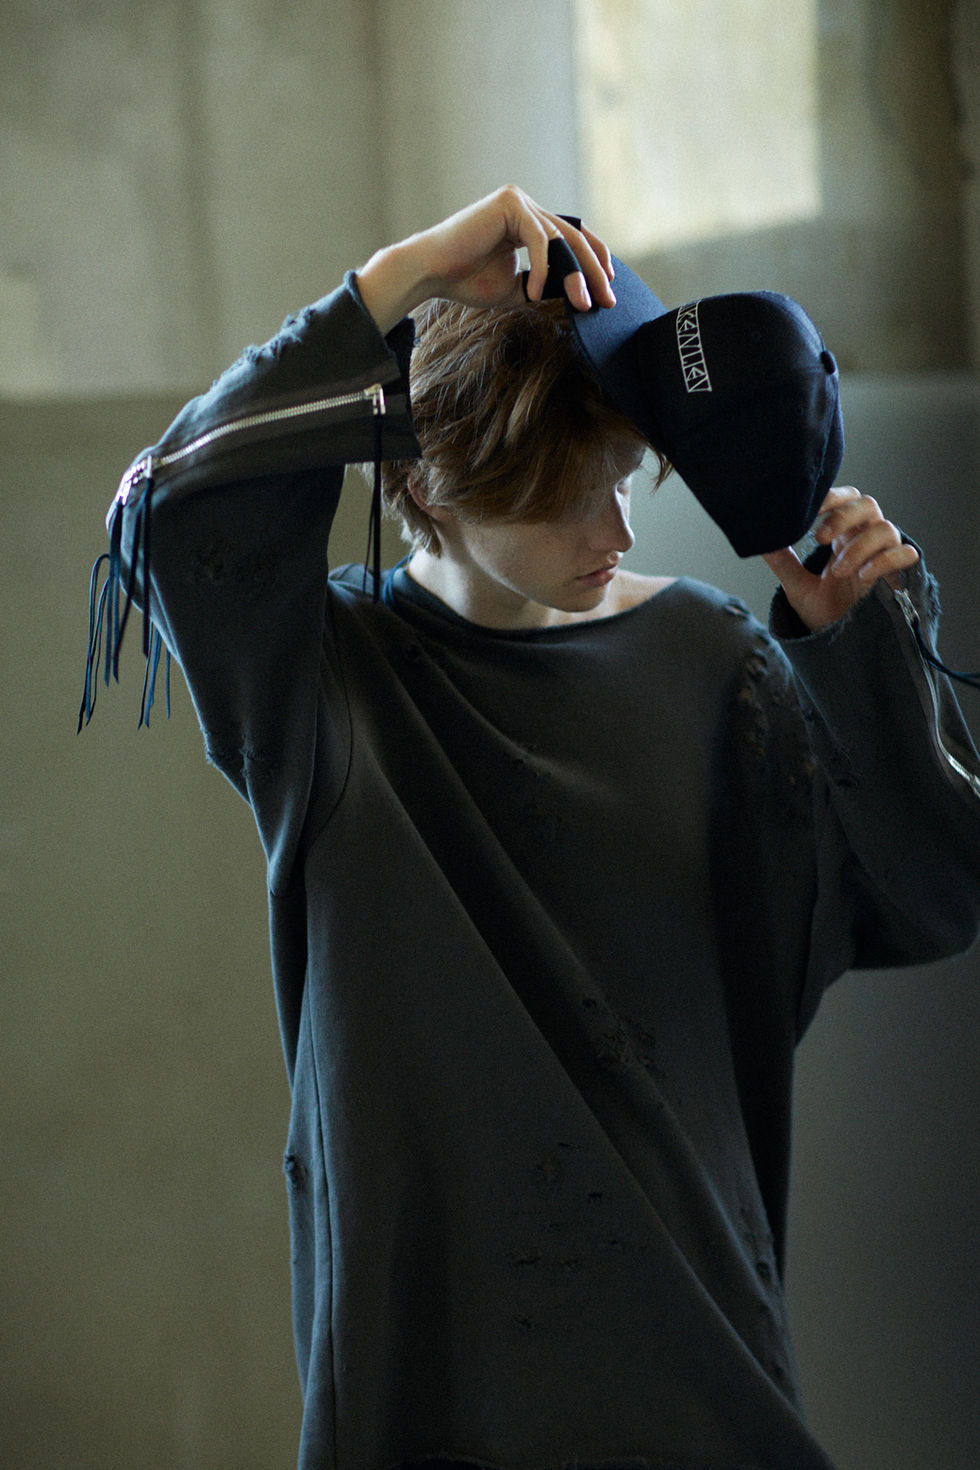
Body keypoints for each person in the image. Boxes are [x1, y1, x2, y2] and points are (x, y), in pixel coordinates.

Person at [81, 186, 980, 1470]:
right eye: (569, 495)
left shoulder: (714, 667)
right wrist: (397, 278)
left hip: (698, 1378)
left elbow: (928, 899)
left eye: (621, 475)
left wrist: (859, 660)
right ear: (431, 481)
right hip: (428, 1391)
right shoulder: (324, 682)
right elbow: (173, 514)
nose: (617, 529)